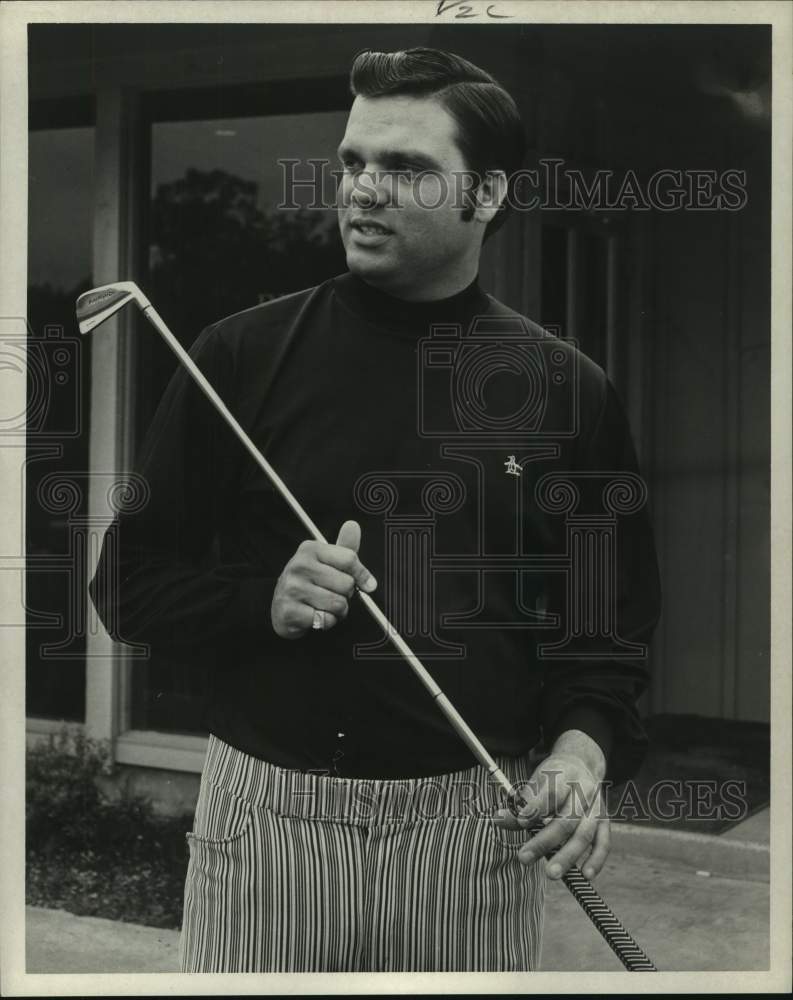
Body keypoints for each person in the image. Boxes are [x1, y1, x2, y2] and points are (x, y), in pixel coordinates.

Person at [90, 47, 661, 973]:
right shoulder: (237, 354)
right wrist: (258, 600)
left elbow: (608, 633)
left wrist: (578, 756)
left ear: (485, 197)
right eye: (353, 162)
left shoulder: (568, 389)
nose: (361, 189)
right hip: (267, 820)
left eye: (406, 169)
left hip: (473, 828)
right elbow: (128, 581)